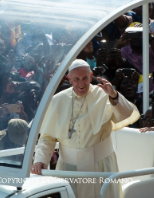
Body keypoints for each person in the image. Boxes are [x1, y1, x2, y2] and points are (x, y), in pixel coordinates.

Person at [31, 59, 140, 198]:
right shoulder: (58, 100)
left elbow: (127, 114)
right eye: (76, 79)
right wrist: (40, 160)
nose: (81, 83)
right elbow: (47, 136)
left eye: (84, 78)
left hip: (101, 165)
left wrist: (113, 95)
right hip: (69, 168)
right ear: (69, 79)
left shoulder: (104, 94)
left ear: (91, 76)